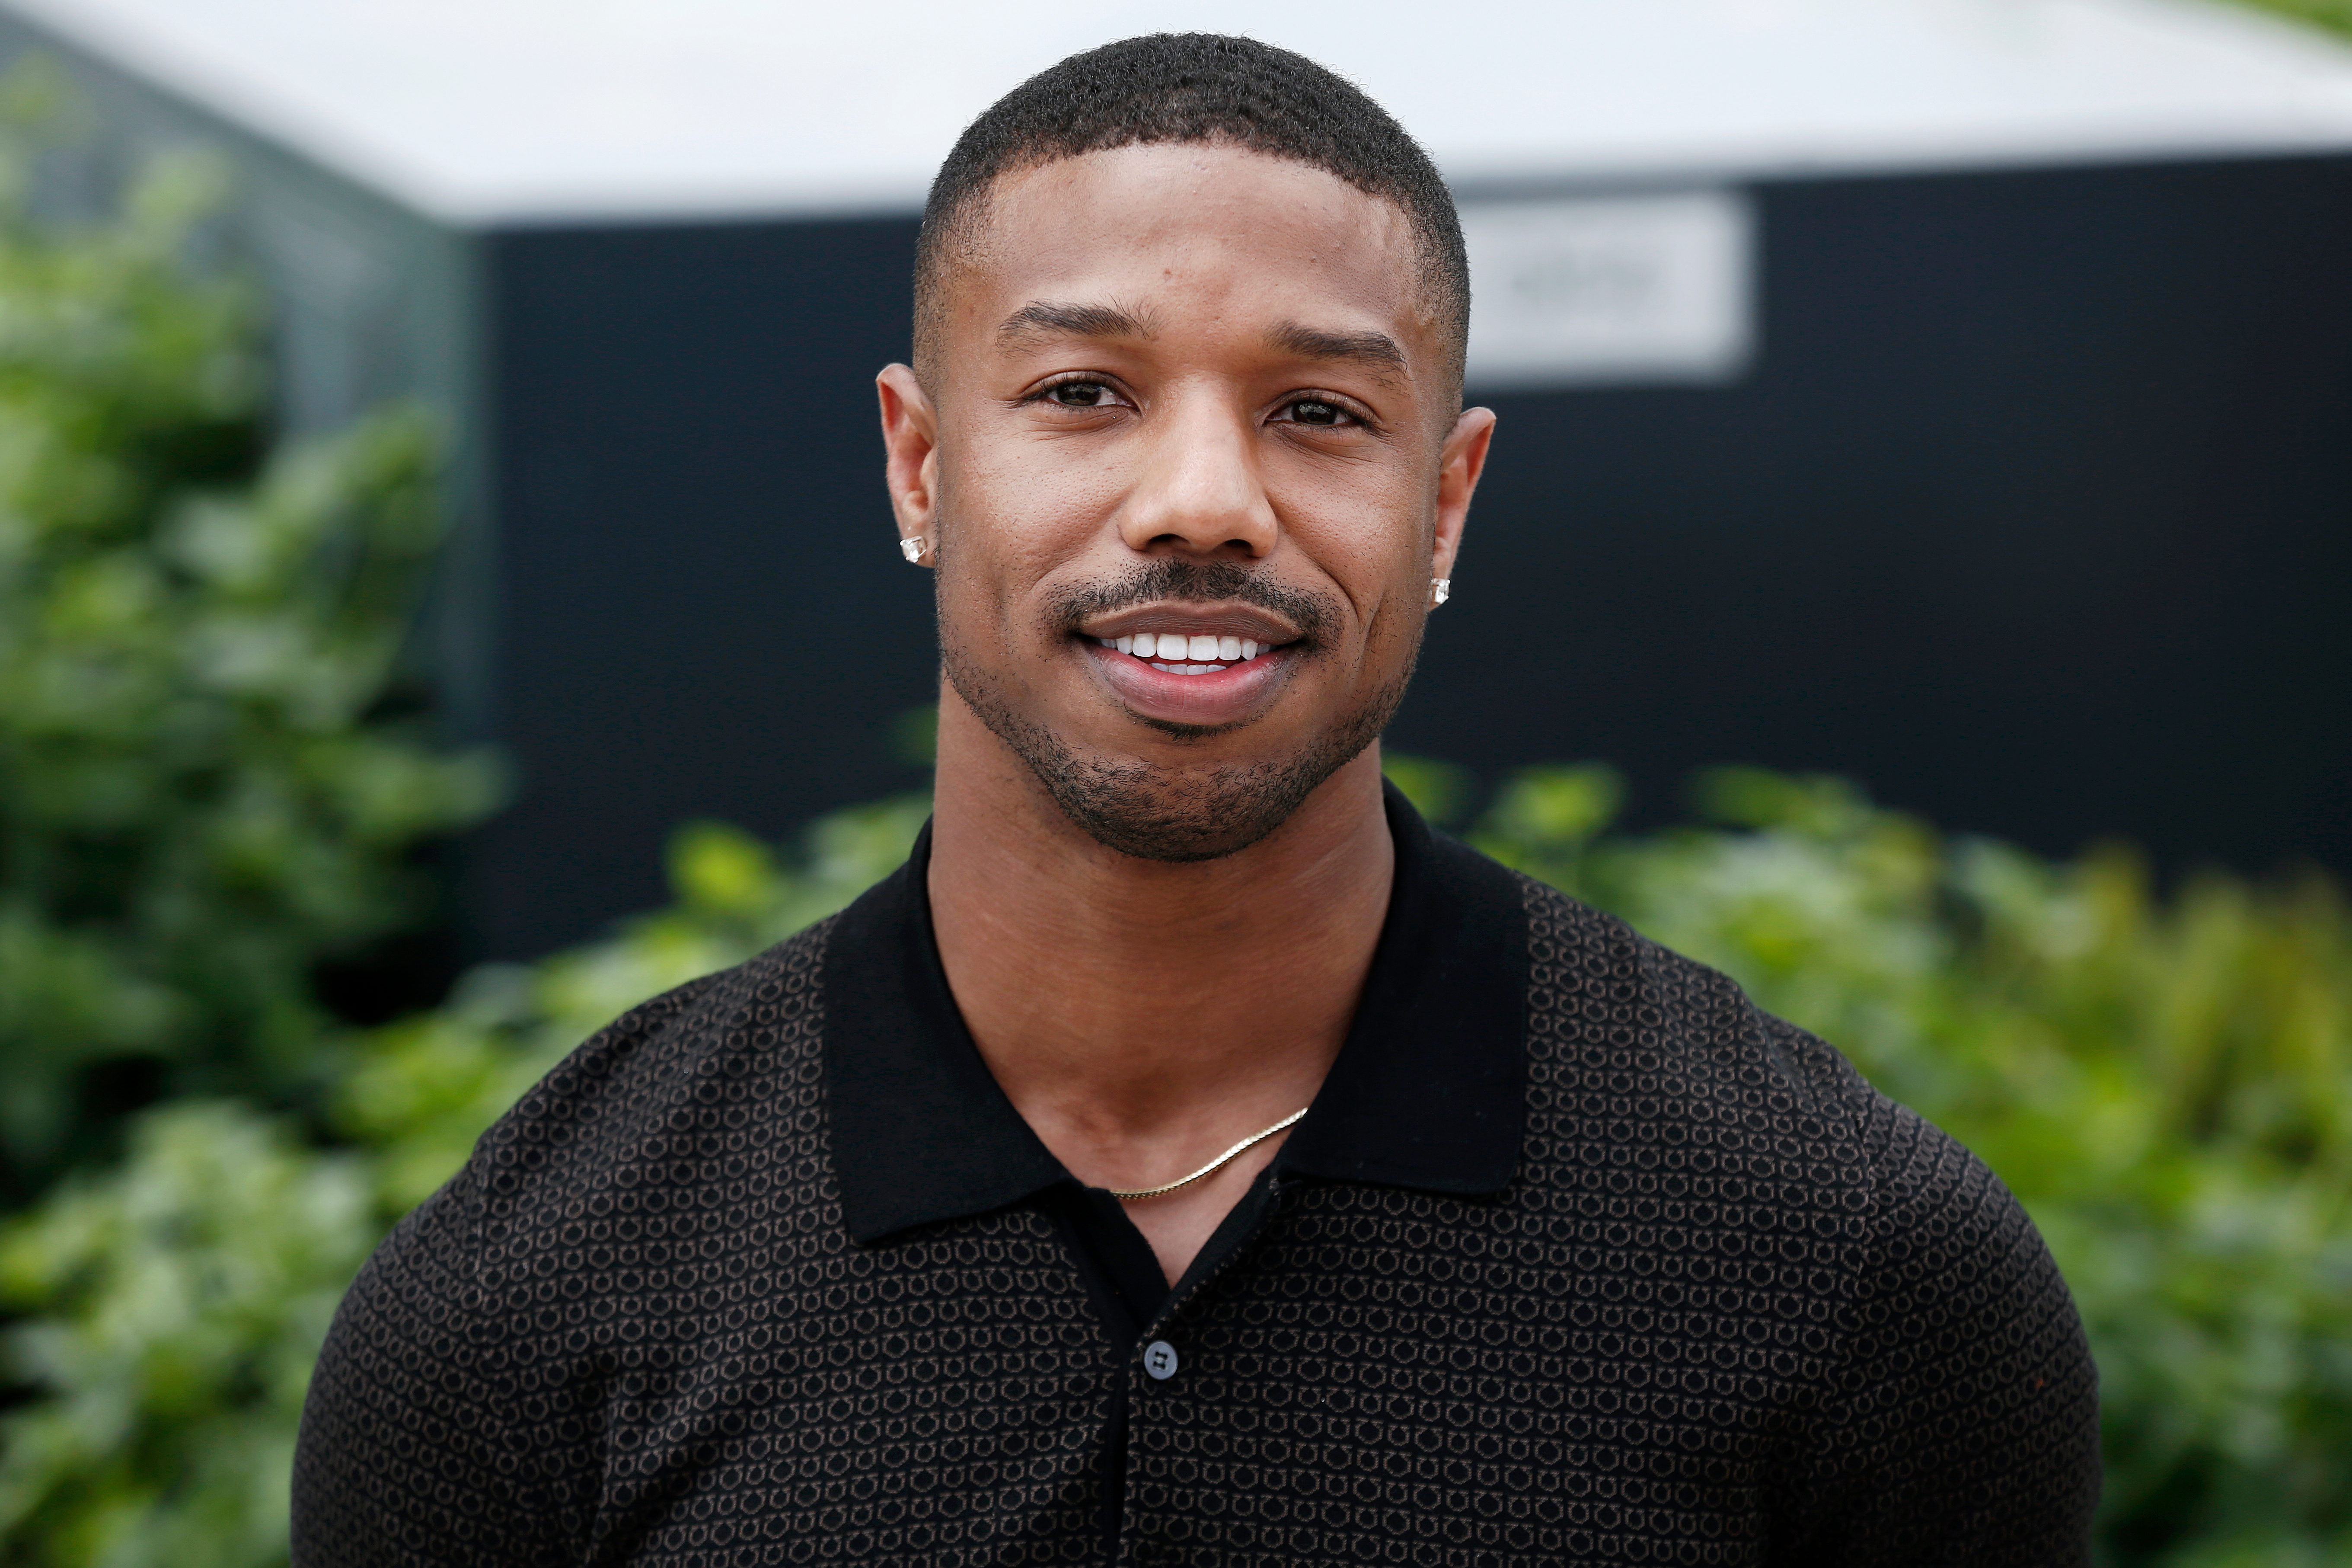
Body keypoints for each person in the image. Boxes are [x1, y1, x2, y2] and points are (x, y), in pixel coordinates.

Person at [293, 33, 2100, 1566]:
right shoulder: (531, 1289)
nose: (1202, 501)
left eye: (1318, 412)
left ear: (1446, 502)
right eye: (1083, 391)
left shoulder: (1851, 1265)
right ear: (921, 464)